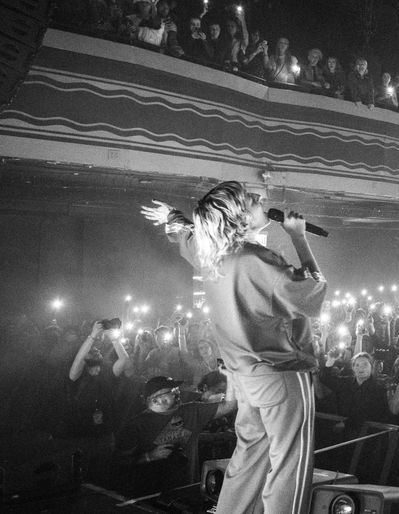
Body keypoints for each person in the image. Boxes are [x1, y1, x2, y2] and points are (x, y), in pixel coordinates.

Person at [141, 181, 326, 514]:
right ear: (239, 216)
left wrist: (172, 216)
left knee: (250, 455)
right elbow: (313, 294)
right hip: (280, 374)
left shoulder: (210, 254)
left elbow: (187, 235)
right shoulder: (257, 260)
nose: (260, 201)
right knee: (289, 463)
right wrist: (299, 237)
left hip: (244, 379)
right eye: (252, 200)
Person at [113, 375, 236, 496]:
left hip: (186, 489)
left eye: (176, 390)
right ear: (155, 400)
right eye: (171, 391)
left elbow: (229, 405)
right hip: (150, 494)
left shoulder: (191, 411)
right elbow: (119, 464)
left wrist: (231, 376)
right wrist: (149, 456)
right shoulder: (136, 426)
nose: (177, 393)